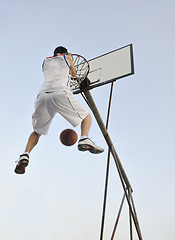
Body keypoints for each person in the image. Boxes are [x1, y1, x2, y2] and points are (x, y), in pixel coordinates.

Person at [15, 46, 104, 174]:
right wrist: (71, 60)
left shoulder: (46, 61)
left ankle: (25, 154)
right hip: (60, 92)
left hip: (42, 95)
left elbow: (56, 70)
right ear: (65, 52)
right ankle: (84, 138)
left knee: (36, 131)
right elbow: (73, 74)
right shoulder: (67, 57)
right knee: (86, 117)